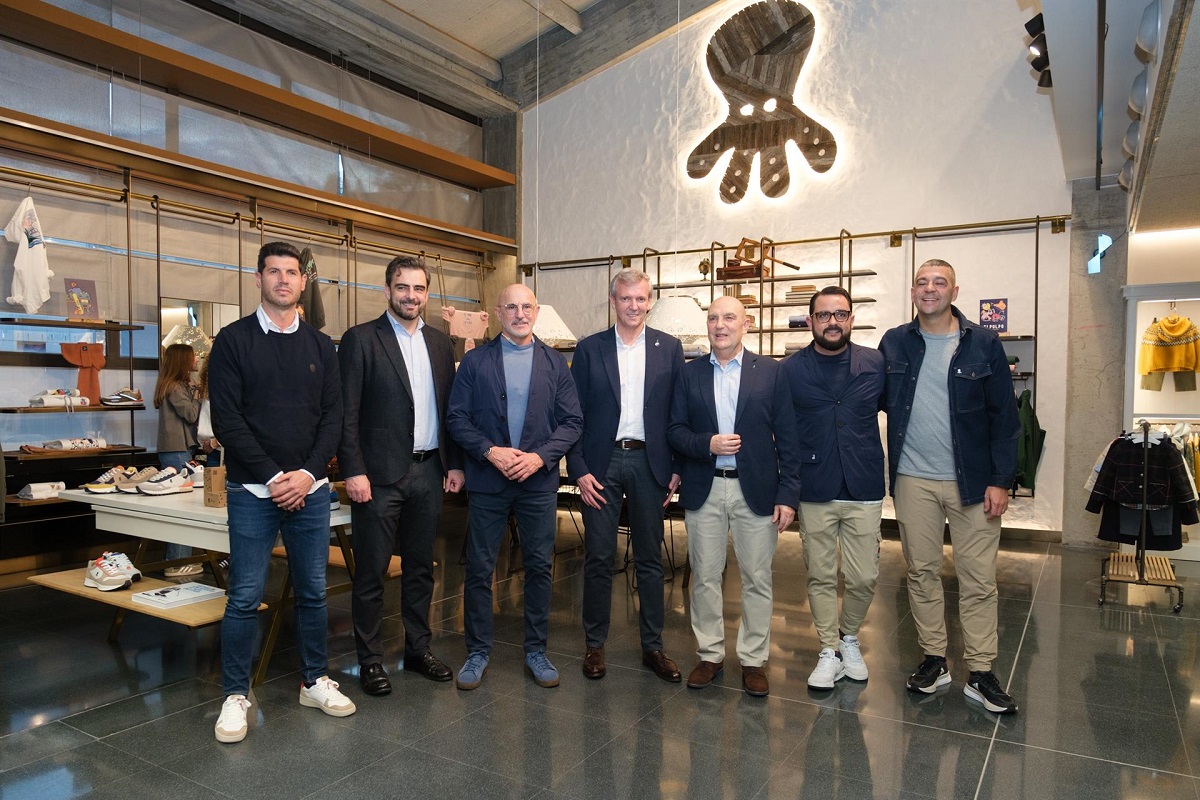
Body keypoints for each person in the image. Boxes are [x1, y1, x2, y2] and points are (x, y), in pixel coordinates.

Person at [207, 241, 351, 744]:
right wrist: (274, 478)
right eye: (274, 272)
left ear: (303, 283)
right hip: (252, 490)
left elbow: (332, 418)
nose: (284, 280)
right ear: (259, 278)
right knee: (245, 595)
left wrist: (307, 476)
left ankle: (315, 681)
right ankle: (234, 695)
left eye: (292, 273)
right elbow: (228, 420)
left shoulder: (320, 346)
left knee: (313, 591)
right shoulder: (232, 341)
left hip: (310, 491)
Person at [878, 258, 1021, 714]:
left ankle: (980, 671)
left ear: (954, 292)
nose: (929, 289)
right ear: (914, 291)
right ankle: (935, 660)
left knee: (978, 579)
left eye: (939, 282)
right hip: (912, 479)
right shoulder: (895, 342)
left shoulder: (984, 343)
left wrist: (1002, 480)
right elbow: (871, 399)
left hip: (974, 482)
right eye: (921, 282)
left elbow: (1006, 418)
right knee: (921, 573)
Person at [338, 255, 465, 697]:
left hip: (429, 472)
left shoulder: (439, 343)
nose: (411, 296)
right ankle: (370, 659)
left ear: (427, 293)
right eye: (403, 287)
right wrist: (353, 470)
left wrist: (454, 464)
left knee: (419, 570)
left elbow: (450, 411)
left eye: (419, 288)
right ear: (387, 290)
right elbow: (346, 414)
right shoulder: (360, 340)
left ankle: (417, 649)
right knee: (372, 572)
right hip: (378, 478)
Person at [446, 283, 583, 691]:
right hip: (489, 480)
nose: (520, 313)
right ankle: (477, 652)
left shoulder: (556, 364)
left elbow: (572, 422)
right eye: (511, 307)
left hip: (537, 482)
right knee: (479, 567)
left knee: (539, 566)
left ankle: (537, 650)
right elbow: (456, 419)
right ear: (498, 312)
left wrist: (541, 457)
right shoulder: (475, 362)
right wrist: (490, 452)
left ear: (536, 311)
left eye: (526, 307)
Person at [667, 295, 800, 697]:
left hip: (755, 489)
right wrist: (707, 443)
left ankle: (754, 660)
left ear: (747, 324)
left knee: (757, 578)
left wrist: (788, 493)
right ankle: (709, 655)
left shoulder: (771, 373)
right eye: (713, 318)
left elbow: (790, 437)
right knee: (704, 577)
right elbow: (674, 431)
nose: (720, 325)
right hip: (705, 487)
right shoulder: (688, 376)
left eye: (729, 318)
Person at [566, 269, 684, 683]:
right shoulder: (589, 349)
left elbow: (678, 414)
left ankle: (653, 646)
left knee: (650, 559)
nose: (634, 306)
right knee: (599, 556)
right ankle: (594, 645)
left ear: (650, 301)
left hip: (650, 464)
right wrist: (577, 469)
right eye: (625, 299)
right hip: (602, 464)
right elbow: (573, 415)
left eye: (641, 299)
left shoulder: (669, 348)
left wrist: (677, 468)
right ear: (613, 300)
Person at [781, 286, 886, 690]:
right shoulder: (790, 370)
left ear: (851, 319)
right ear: (810, 321)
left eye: (840, 314)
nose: (832, 322)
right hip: (814, 485)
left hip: (863, 484)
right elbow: (783, 433)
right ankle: (829, 649)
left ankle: (849, 637)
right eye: (823, 315)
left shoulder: (874, 362)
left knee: (863, 577)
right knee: (820, 575)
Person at [154, 342, 202, 576]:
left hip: (174, 449)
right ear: (184, 360)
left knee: (179, 507)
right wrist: (197, 394)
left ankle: (175, 560)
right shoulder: (176, 387)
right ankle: (176, 562)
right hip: (177, 450)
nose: (197, 360)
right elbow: (192, 414)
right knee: (183, 508)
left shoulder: (170, 385)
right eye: (193, 357)